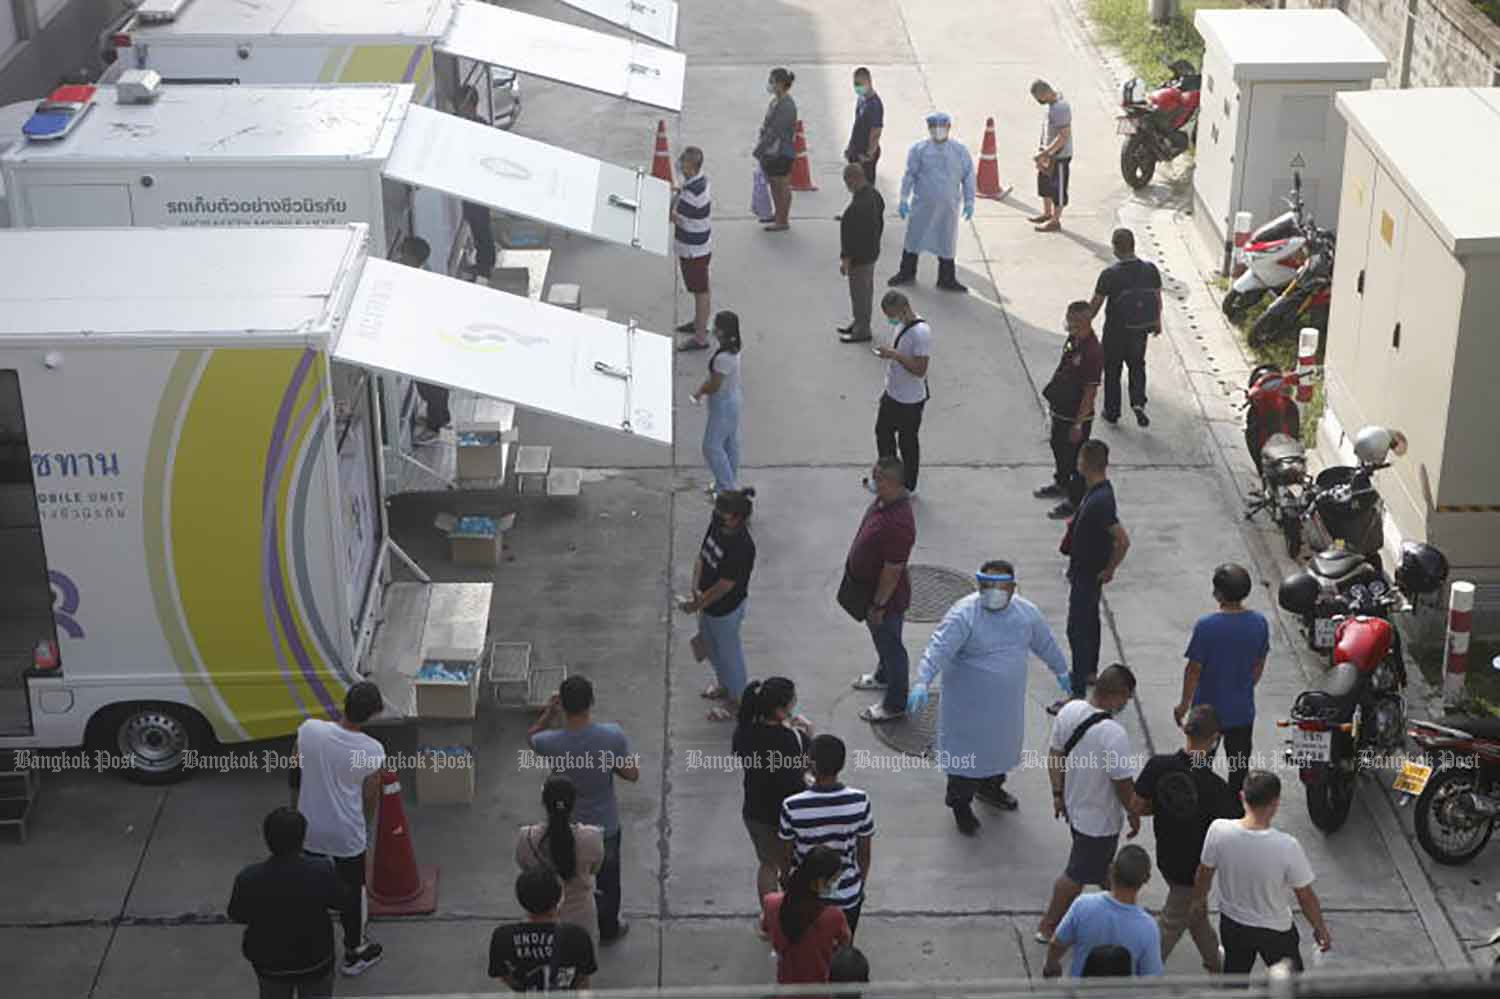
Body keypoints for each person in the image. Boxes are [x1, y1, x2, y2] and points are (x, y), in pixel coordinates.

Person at [906, 560, 1071, 835]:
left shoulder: (1026, 613)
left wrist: (1062, 671)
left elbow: (1046, 643)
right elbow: (938, 648)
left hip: (1005, 708)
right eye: (987, 585)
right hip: (966, 710)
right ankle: (960, 805)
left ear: (1012, 587)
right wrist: (923, 680)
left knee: (999, 751)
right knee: (965, 760)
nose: (992, 591)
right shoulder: (964, 615)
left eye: (999, 585)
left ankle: (991, 787)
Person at [528, 676, 641, 944]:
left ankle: (568, 927)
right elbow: (632, 774)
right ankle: (608, 929)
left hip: (566, 827)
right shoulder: (612, 735)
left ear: (563, 705)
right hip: (605, 826)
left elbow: (531, 737)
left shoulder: (551, 742)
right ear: (591, 702)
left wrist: (548, 713)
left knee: (568, 879)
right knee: (608, 882)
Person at [1036, 664, 1140, 943]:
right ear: (1118, 694)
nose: (1125, 705)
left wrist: (1058, 794)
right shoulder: (1113, 733)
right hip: (1099, 821)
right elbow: (1122, 783)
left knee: (1103, 869)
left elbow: (1055, 754)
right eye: (1126, 698)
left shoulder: (1069, 711)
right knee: (1076, 875)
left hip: (1075, 808)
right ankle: (1048, 927)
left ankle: (1124, 911)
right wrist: (1134, 812)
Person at [1131, 705, 1237, 972]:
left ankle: (1214, 960)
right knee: (1171, 924)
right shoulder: (1217, 788)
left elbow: (1138, 805)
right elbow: (1228, 836)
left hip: (1166, 858)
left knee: (1196, 913)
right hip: (1194, 871)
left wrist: (1163, 805)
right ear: (1215, 739)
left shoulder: (1159, 765)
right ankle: (1144, 971)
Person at [292, 681, 386, 977]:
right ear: (373, 714)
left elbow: (295, 771)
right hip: (346, 834)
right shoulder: (371, 751)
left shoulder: (310, 730)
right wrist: (364, 828)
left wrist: (296, 810)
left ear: (343, 703)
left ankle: (308, 946)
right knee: (352, 894)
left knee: (309, 889)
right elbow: (370, 797)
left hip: (309, 828)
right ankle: (355, 952)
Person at [1194, 771, 1332, 972]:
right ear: (1276, 803)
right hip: (1275, 930)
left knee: (1235, 978)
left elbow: (1204, 873)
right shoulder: (1287, 846)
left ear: (1242, 796)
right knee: (1290, 985)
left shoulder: (1218, 830)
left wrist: (1199, 901)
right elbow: (1305, 896)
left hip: (1233, 924)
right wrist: (1320, 928)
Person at [1174, 563, 1269, 800]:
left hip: (1207, 714)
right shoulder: (1259, 622)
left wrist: (1184, 705)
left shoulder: (1207, 627)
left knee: (1198, 767)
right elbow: (1258, 664)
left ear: (1218, 593)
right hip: (1241, 712)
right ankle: (1236, 813)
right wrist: (1243, 686)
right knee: (1238, 768)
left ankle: (1201, 808)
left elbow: (1194, 670)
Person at [1049, 439, 1130, 714]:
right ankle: (1091, 671)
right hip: (1086, 573)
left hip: (1087, 575)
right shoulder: (1098, 492)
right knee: (1090, 623)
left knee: (1078, 630)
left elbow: (1122, 540)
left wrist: (1110, 569)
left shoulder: (1099, 502)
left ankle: (1077, 691)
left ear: (1085, 463)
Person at [228, 807, 344, 999]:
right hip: (315, 961)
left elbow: (237, 914)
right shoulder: (322, 870)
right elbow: (341, 901)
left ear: (267, 839)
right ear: (302, 839)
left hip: (270, 965)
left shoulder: (249, 878)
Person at [778, 735, 875, 936]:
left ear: (811, 764)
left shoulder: (792, 806)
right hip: (848, 894)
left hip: (806, 897)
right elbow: (864, 854)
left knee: (809, 953)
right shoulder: (860, 800)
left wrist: (787, 881)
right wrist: (859, 884)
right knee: (842, 951)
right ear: (842, 764)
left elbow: (785, 857)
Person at [844, 456, 916, 723]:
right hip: (867, 590)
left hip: (884, 598)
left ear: (892, 482)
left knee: (891, 646)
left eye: (877, 477)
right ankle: (883, 676)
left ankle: (895, 703)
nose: (871, 481)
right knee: (882, 641)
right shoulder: (884, 502)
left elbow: (893, 569)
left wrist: (878, 605)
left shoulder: (899, 522)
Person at [732, 677, 813, 904]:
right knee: (789, 866)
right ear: (779, 710)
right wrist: (809, 735)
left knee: (767, 864)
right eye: (791, 701)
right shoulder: (792, 739)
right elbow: (805, 768)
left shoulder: (745, 731)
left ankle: (769, 917)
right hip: (786, 815)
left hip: (755, 811)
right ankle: (790, 912)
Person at [679, 488, 757, 721]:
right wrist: (695, 587)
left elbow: (725, 585)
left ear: (736, 518)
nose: (717, 514)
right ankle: (725, 686)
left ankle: (738, 701)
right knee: (712, 649)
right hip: (706, 603)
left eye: (723, 512)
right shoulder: (717, 522)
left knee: (729, 655)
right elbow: (702, 555)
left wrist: (698, 603)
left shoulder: (742, 546)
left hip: (725, 609)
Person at [1043, 844, 1163, 978]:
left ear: (1111, 870)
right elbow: (1152, 977)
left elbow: (1057, 943)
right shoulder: (1148, 928)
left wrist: (1051, 965)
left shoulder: (1083, 905)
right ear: (1146, 879)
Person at [514, 776, 606, 946]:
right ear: (574, 803)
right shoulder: (592, 837)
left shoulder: (525, 838)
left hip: (540, 920)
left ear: (544, 802)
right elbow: (595, 869)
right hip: (582, 918)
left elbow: (525, 868)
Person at [889, 112, 975, 292]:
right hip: (923, 205)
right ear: (928, 129)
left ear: (949, 127)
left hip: (948, 207)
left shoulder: (959, 151)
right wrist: (904, 198)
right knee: (914, 238)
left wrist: (969, 201)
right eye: (934, 127)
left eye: (942, 127)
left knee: (946, 240)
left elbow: (968, 177)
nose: (938, 131)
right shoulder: (919, 150)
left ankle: (946, 278)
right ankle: (907, 272)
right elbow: (910, 175)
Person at [1035, 301, 1104, 521]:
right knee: (1057, 446)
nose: (1068, 323)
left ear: (1083, 321)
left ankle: (1075, 501)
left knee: (1075, 459)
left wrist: (1078, 423)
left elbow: (1090, 391)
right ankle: (1061, 482)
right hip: (1061, 407)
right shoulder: (1073, 340)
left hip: (1076, 414)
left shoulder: (1092, 351)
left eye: (1072, 320)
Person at [1090, 228, 1163, 427]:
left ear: (1114, 248)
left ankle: (1112, 411)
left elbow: (1096, 303)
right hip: (1140, 331)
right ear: (1133, 245)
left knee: (1113, 370)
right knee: (1137, 365)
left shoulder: (1110, 274)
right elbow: (1157, 297)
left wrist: (1084, 323)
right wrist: (1157, 321)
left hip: (1115, 331)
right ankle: (1138, 402)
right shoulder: (1151, 269)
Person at [488, 869, 597, 991]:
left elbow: (503, 973)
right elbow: (583, 980)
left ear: (521, 899)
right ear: (559, 900)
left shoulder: (502, 937)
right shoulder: (578, 936)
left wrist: (522, 989)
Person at [761, 846, 852, 985]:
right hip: (819, 987)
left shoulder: (771, 903)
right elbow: (845, 944)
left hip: (786, 985)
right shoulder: (834, 916)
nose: (835, 884)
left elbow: (765, 931)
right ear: (820, 882)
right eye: (834, 880)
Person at [869, 292, 930, 493]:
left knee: (907, 443)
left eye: (891, 315)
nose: (890, 319)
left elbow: (920, 369)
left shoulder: (920, 333)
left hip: (910, 401)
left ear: (904, 309)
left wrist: (895, 355)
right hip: (893, 394)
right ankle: (887, 479)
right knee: (883, 435)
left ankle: (907, 485)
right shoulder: (900, 325)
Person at [397, 236, 450, 445]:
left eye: (404, 253)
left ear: (412, 257)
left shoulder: (419, 280)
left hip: (428, 340)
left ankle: (435, 427)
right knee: (429, 385)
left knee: (431, 386)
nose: (400, 257)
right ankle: (438, 417)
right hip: (426, 337)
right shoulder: (421, 272)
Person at [689, 312, 745, 495]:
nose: (713, 330)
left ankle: (726, 489)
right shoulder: (733, 350)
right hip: (733, 398)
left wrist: (699, 392)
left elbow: (714, 384)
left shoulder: (723, 358)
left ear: (721, 331)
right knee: (729, 443)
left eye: (716, 327)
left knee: (712, 447)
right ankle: (728, 482)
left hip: (723, 404)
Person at [838, 163, 886, 344]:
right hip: (872, 253)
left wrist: (846, 260)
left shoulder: (856, 208)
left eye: (847, 181)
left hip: (860, 259)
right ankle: (859, 322)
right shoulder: (874, 195)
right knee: (865, 291)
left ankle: (862, 329)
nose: (847, 186)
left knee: (859, 293)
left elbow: (851, 238)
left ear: (854, 179)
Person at [672, 146, 714, 351]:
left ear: (691, 167)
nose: (680, 166)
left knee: (700, 291)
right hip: (701, 246)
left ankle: (700, 337)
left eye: (683, 164)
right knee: (700, 289)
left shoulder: (691, 194)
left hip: (692, 249)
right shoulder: (700, 182)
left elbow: (675, 217)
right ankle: (699, 323)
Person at [456, 85, 498, 281]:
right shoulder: (472, 124)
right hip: (472, 183)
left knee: (480, 223)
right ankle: (484, 262)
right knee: (476, 222)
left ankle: (485, 265)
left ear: (468, 105)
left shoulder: (478, 126)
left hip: (478, 184)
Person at [755, 68, 798, 231]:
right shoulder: (776, 101)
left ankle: (782, 220)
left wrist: (759, 150)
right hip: (773, 151)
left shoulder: (786, 106)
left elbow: (775, 132)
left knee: (782, 185)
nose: (770, 85)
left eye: (772, 81)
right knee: (774, 184)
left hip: (781, 152)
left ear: (780, 84)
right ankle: (779, 215)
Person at [1029, 80, 1073, 233]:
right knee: (1045, 184)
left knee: (1058, 189)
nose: (1039, 101)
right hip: (1048, 154)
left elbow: (1063, 136)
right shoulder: (1053, 104)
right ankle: (1047, 213)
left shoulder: (1060, 108)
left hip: (1059, 156)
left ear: (1044, 94)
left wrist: (1046, 152)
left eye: (1038, 98)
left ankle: (1055, 221)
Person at [845, 68, 884, 185]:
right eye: (855, 84)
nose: (857, 87)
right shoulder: (862, 99)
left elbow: (876, 132)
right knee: (855, 186)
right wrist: (850, 147)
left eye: (860, 83)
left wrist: (869, 154)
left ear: (869, 81)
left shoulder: (874, 105)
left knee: (866, 188)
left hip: (865, 153)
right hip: (856, 150)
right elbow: (857, 124)